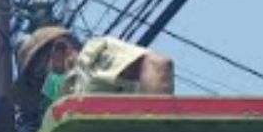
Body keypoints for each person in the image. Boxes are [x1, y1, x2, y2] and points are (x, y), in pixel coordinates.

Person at [13, 25, 175, 111]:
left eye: (39, 71)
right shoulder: (67, 96)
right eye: (35, 82)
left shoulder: (92, 58)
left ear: (61, 50)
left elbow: (157, 65)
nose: (42, 83)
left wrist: (155, 130)